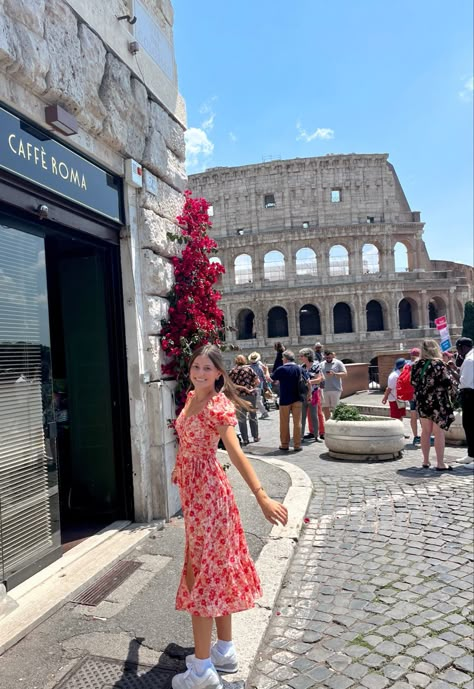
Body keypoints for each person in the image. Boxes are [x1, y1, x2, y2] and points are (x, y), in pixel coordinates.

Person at [171, 345, 288, 689]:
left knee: (200, 575)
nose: (200, 372)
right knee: (214, 571)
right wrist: (180, 466)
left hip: (209, 497)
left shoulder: (217, 406)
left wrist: (261, 495)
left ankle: (203, 670)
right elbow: (186, 439)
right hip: (195, 494)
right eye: (196, 366)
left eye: (208, 368)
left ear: (220, 373)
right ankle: (223, 651)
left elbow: (235, 453)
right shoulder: (192, 396)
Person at [410, 339, 457, 471]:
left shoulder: (415, 364)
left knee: (425, 431)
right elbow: (447, 383)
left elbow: (413, 382)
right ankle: (440, 463)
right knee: (438, 432)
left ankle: (425, 461)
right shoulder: (439, 364)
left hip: (422, 401)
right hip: (438, 402)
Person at [271, 350, 305, 452]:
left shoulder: (281, 369)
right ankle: (297, 445)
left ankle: (285, 444)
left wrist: (265, 371)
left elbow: (272, 379)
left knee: (284, 422)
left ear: (285, 358)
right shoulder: (299, 368)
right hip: (298, 398)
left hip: (285, 398)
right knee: (297, 422)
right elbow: (307, 381)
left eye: (282, 358)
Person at [228, 354, 260, 445]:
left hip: (239, 396)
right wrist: (252, 387)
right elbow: (257, 381)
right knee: (253, 415)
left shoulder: (233, 371)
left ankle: (245, 439)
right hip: (250, 394)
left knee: (241, 417)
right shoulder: (249, 369)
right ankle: (256, 436)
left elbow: (229, 384)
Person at [455, 337, 474, 465]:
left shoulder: (469, 360)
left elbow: (464, 382)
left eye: (458, 349)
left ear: (462, 347)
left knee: (470, 426)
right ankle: (471, 454)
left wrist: (451, 372)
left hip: (470, 396)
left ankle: (472, 455)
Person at [298, 347, 323, 441]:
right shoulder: (301, 367)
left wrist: (308, 382)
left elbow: (319, 379)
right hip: (303, 394)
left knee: (314, 415)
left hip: (314, 393)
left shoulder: (316, 365)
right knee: (303, 416)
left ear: (307, 356)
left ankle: (317, 436)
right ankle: (301, 436)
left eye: (302, 356)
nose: (300, 358)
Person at [321, 351, 347, 420]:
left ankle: (336, 423)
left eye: (329, 356)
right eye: (326, 357)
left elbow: (345, 374)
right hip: (324, 389)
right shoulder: (321, 364)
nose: (328, 358)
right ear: (324, 356)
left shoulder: (338, 363)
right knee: (325, 407)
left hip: (335, 389)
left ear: (332, 355)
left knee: (335, 408)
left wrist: (335, 374)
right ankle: (327, 423)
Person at [248, 351, 270, 419]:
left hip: (252, 385)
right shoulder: (260, 367)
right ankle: (254, 413)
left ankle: (263, 412)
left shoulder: (249, 367)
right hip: (259, 385)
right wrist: (266, 386)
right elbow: (263, 377)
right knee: (257, 400)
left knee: (256, 400)